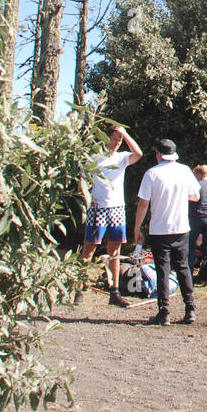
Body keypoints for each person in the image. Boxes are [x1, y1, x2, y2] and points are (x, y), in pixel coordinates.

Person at [132, 138, 201, 326]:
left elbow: (144, 202)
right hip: (181, 227)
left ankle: (164, 311)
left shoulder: (152, 174)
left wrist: (137, 228)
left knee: (163, 269)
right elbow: (195, 196)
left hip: (159, 229)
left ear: (158, 155)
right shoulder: (185, 171)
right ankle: (190, 308)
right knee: (183, 267)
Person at [78, 125, 142, 307]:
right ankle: (79, 287)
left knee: (114, 251)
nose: (116, 143)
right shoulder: (93, 158)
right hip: (98, 208)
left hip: (117, 209)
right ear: (105, 139)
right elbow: (82, 181)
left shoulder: (121, 158)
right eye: (114, 139)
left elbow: (138, 154)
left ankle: (114, 291)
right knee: (89, 250)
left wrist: (125, 133)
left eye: (119, 140)